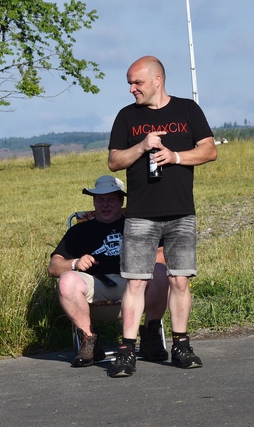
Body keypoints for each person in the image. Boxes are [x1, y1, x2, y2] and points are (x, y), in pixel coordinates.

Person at [107, 56, 218, 378]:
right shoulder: (127, 117)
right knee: (136, 283)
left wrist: (176, 156)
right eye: (129, 83)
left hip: (181, 212)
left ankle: (182, 344)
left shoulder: (188, 110)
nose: (131, 89)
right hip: (141, 214)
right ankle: (128, 350)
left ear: (157, 80)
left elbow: (209, 150)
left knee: (179, 280)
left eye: (137, 82)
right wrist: (142, 146)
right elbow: (114, 162)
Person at [48, 175, 170, 368]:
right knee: (66, 280)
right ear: (94, 202)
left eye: (111, 199)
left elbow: (163, 252)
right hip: (96, 284)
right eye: (100, 200)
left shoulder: (137, 225)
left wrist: (143, 258)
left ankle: (150, 335)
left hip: (134, 283)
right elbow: (54, 266)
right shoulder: (80, 231)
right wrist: (75, 263)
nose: (105, 204)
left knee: (161, 271)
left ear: (121, 201)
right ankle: (89, 341)